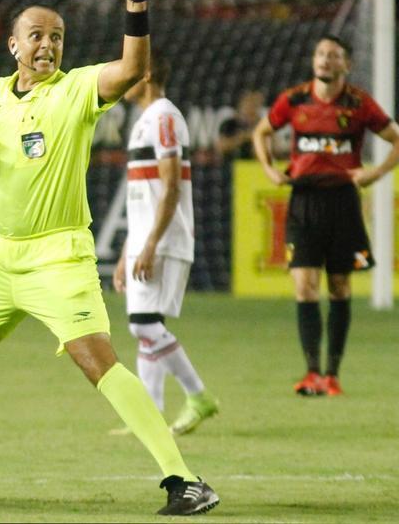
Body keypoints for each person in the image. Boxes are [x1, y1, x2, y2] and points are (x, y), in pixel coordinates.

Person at [0, 0, 219, 515]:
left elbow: (133, 67)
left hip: (58, 255)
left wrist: (136, 0)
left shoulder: (75, 90)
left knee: (96, 359)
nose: (46, 45)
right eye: (37, 36)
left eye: (56, 37)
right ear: (13, 44)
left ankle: (184, 480)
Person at [251, 35, 399, 397]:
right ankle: (311, 372)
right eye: (320, 53)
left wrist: (375, 173)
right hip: (303, 200)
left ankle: (332, 374)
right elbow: (262, 131)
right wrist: (270, 170)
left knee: (339, 286)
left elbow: (396, 138)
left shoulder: (360, 103)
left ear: (345, 65)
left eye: (333, 55)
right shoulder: (295, 99)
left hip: (343, 202)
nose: (325, 60)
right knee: (304, 285)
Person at [113, 54, 219, 436]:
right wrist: (129, 250)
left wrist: (151, 243)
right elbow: (143, 197)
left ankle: (198, 396)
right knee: (146, 326)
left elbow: (172, 187)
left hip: (165, 239)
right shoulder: (144, 120)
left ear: (145, 75)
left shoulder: (164, 117)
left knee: (144, 326)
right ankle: (151, 414)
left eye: (130, 73)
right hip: (146, 240)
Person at [215, 89, 265, 160]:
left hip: (254, 166)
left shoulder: (262, 124)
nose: (251, 109)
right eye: (249, 104)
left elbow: (276, 148)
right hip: (232, 165)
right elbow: (220, 147)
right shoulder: (230, 123)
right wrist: (242, 138)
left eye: (255, 105)